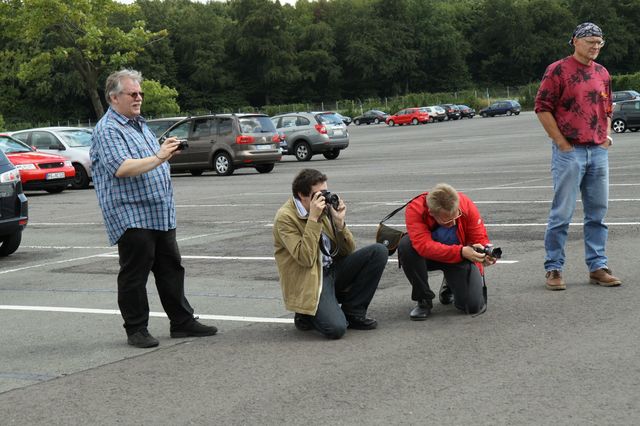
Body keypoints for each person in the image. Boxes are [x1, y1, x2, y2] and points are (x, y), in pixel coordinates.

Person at [90, 69, 218, 348]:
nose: (139, 98)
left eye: (140, 93)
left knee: (171, 268)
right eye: (132, 93)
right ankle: (136, 329)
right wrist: (160, 156)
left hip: (159, 211)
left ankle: (182, 322)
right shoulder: (108, 129)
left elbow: (151, 160)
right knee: (135, 273)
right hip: (131, 213)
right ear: (114, 98)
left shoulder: (140, 124)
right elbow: (121, 168)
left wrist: (166, 151)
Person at [535, 22, 622, 291]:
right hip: (569, 151)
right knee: (562, 213)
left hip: (597, 151)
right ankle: (554, 268)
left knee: (598, 214)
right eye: (590, 41)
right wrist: (561, 143)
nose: (595, 46)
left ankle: (597, 266)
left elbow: (607, 107)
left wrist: (606, 136)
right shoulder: (558, 70)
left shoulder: (602, 72)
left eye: (599, 42)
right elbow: (542, 108)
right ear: (575, 41)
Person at [273, 168, 388, 339]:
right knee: (336, 329)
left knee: (378, 251)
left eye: (326, 192)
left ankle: (353, 312)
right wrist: (313, 220)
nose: (324, 198)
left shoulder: (324, 208)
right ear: (302, 195)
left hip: (331, 270)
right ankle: (305, 314)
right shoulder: (285, 218)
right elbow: (305, 258)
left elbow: (347, 251)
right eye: (319, 194)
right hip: (310, 279)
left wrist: (339, 223)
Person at [397, 183, 497, 320]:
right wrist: (461, 252)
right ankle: (423, 300)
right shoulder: (415, 208)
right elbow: (423, 246)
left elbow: (479, 238)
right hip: (433, 256)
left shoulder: (465, 204)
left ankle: (450, 282)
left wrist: (483, 256)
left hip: (459, 256)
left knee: (473, 306)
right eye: (447, 220)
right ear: (432, 213)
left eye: (456, 216)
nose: (453, 223)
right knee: (406, 245)